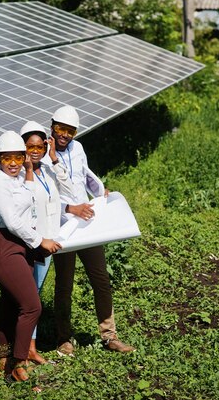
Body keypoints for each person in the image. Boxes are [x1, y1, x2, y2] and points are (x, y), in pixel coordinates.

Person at [49, 105, 135, 355]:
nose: (65, 135)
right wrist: (69, 208)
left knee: (101, 280)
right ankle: (64, 339)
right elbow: (44, 195)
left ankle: (110, 337)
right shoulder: (43, 154)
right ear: (51, 126)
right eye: (60, 129)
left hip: (86, 224)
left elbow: (86, 175)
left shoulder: (78, 149)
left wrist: (101, 191)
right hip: (62, 226)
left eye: (70, 131)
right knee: (64, 285)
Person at [0, 131, 62, 382]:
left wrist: (29, 171)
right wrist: (41, 242)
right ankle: (20, 362)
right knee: (32, 306)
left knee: (11, 305)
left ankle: (4, 360)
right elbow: (14, 222)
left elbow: (27, 196)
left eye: (18, 157)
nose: (14, 162)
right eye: (7, 158)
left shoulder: (17, 179)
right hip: (3, 246)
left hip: (20, 247)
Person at [18, 121, 74, 365]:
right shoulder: (18, 174)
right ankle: (25, 349)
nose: (36, 150)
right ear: (22, 147)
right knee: (29, 298)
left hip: (50, 242)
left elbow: (69, 190)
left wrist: (54, 159)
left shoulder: (48, 169)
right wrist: (28, 169)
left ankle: (30, 347)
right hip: (33, 244)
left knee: (35, 296)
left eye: (41, 146)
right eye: (31, 146)